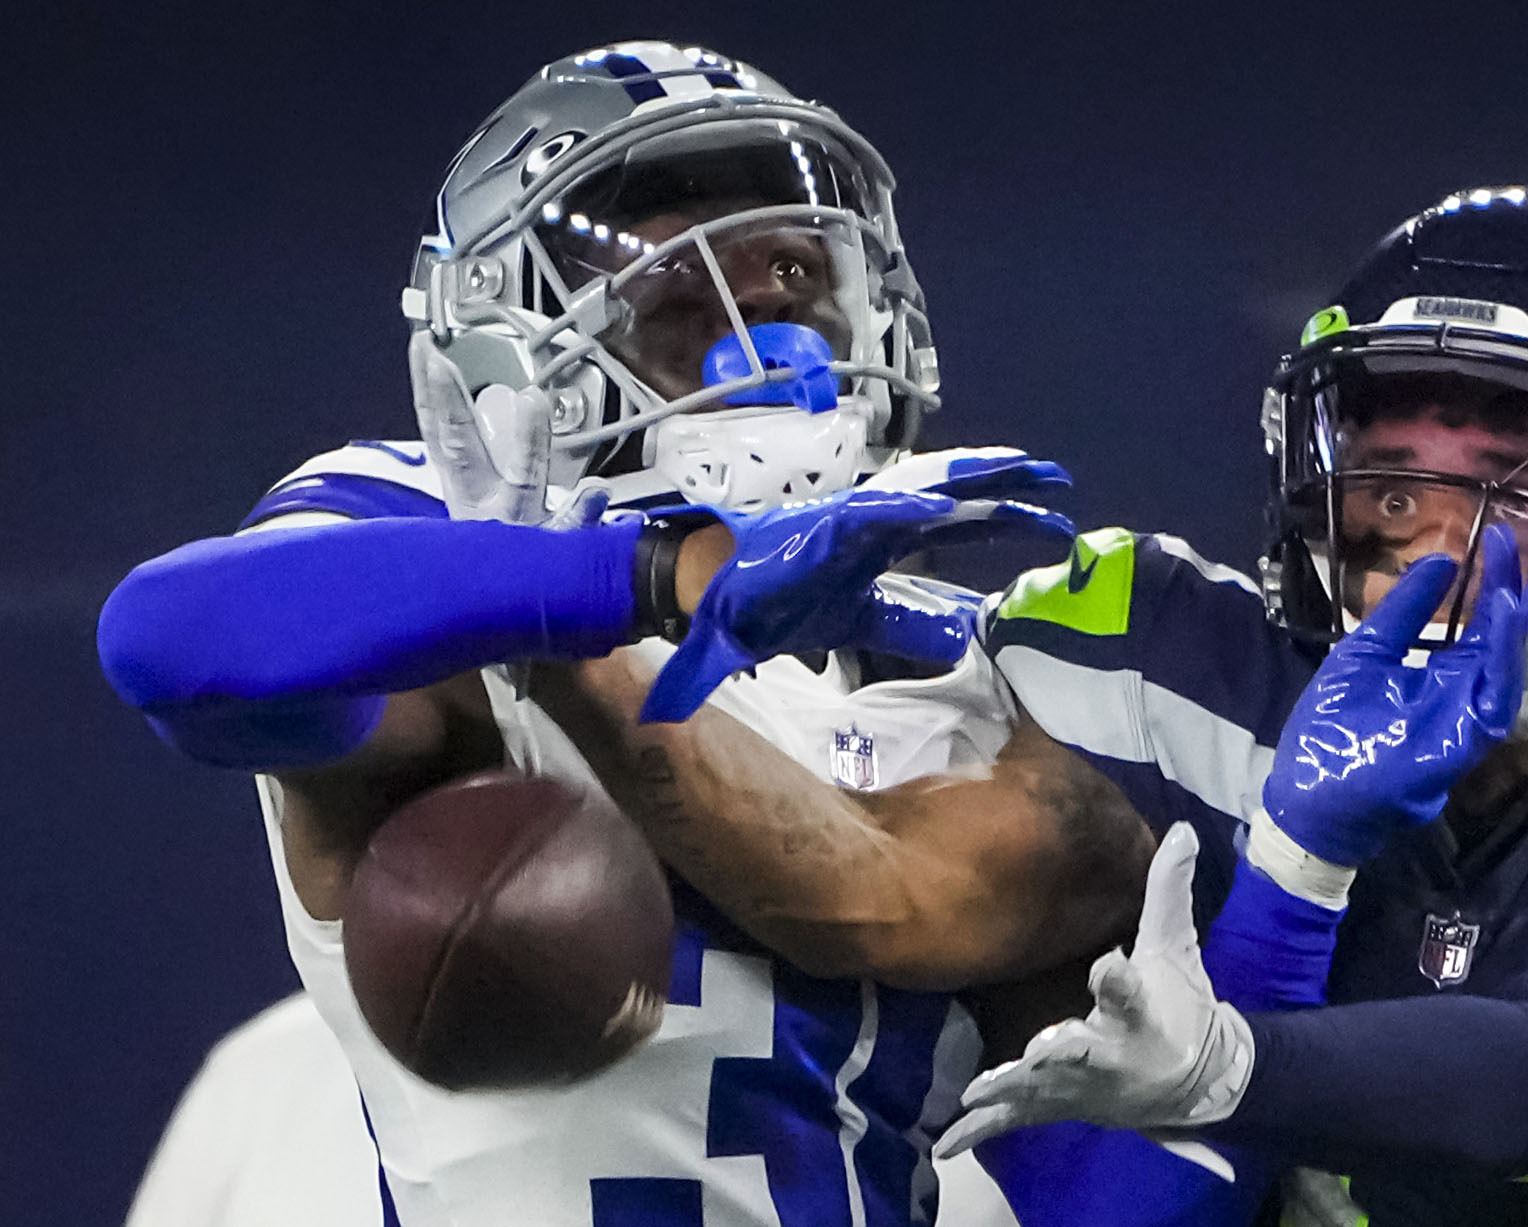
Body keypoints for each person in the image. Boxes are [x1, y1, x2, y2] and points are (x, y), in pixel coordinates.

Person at [102, 41, 1156, 1227]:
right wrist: (642, 576)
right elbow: (167, 640)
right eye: (678, 296)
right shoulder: (438, 550)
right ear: (510, 363)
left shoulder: (982, 667)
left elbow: (896, 924)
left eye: (795, 276)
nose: (766, 336)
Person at [927, 187, 1528, 1225]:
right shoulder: (1180, 676)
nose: (1436, 545)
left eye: (1511, 486)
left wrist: (1230, 1069)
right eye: (1394, 488)